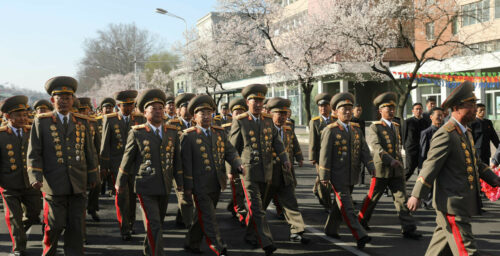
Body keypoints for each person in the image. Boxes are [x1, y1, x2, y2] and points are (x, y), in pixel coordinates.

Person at [407, 81, 500, 256]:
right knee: (467, 251)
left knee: (439, 248)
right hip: (452, 203)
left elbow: (476, 161)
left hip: (462, 201)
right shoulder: (446, 133)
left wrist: (493, 178)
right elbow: (430, 165)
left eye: (474, 104)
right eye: (471, 105)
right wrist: (416, 194)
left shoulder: (466, 131)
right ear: (457, 108)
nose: (475, 108)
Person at [27, 76, 98, 256]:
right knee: (55, 225)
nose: (64, 102)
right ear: (53, 100)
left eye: (68, 98)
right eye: (60, 98)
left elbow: (89, 151)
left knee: (76, 226)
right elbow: (34, 152)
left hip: (78, 182)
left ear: (73, 100)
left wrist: (93, 175)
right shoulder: (42, 122)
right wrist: (35, 176)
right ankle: (49, 252)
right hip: (53, 183)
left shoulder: (82, 121)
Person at [116, 89, 183, 256]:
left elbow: (177, 161)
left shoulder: (172, 132)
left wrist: (181, 182)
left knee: (157, 223)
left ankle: (149, 250)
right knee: (154, 224)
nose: (159, 111)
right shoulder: (137, 132)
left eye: (161, 108)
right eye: (154, 108)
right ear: (145, 113)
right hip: (145, 185)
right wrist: (120, 182)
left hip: (165, 185)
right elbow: (127, 159)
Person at [230, 84, 291, 256]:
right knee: (256, 207)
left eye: (260, 101)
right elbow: (232, 148)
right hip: (247, 171)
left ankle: (251, 235)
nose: (257, 104)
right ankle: (267, 241)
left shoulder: (267, 119)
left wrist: (285, 158)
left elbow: (276, 141)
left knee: (259, 207)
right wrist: (232, 169)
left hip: (266, 170)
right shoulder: (240, 121)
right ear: (247, 102)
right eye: (254, 101)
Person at [181, 95, 243, 256]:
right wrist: (187, 187)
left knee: (202, 215)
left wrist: (238, 163)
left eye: (209, 113)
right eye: (202, 113)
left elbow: (230, 151)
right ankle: (218, 246)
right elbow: (185, 164)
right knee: (209, 216)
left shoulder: (219, 133)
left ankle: (191, 242)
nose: (207, 116)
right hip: (199, 184)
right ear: (194, 117)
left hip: (216, 181)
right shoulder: (188, 136)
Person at [357, 92, 422, 240]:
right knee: (372, 198)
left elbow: (397, 147)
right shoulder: (375, 127)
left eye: (392, 108)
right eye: (388, 109)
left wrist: (398, 162)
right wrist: (389, 160)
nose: (391, 111)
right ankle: (361, 221)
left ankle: (408, 228)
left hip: (396, 170)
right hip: (382, 169)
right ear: (380, 111)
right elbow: (376, 147)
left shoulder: (396, 126)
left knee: (402, 199)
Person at [318, 92, 375, 249]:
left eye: (350, 109)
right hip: (337, 176)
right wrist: (324, 175)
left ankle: (330, 229)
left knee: (340, 205)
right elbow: (324, 154)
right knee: (348, 207)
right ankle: (360, 235)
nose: (348, 112)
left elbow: (364, 150)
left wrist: (371, 166)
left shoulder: (356, 129)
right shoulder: (331, 130)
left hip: (352, 174)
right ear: (336, 112)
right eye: (344, 109)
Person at [100, 90, 146, 241]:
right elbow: (105, 144)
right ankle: (124, 227)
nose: (128, 108)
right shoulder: (111, 119)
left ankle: (131, 222)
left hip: (136, 165)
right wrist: (104, 165)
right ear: (118, 105)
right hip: (117, 165)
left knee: (133, 197)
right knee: (122, 197)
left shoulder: (139, 118)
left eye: (131, 105)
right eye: (125, 105)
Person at [263, 97, 309, 244]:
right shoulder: (264, 129)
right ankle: (253, 232)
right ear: (270, 113)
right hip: (269, 174)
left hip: (285, 172)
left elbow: (293, 143)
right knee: (261, 206)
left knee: (291, 202)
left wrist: (299, 156)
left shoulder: (288, 128)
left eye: (285, 113)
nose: (283, 117)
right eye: (279, 113)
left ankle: (297, 231)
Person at [0, 95, 42, 256]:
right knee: (14, 217)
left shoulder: (33, 132)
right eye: (18, 115)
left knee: (33, 213)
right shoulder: (2, 135)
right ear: (8, 116)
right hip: (9, 183)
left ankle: (20, 232)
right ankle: (19, 247)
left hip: (30, 183)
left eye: (25, 114)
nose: (23, 118)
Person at [169, 93, 196, 228]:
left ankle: (181, 218)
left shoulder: (197, 124)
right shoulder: (172, 125)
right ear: (178, 110)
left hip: (194, 167)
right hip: (179, 167)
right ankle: (189, 224)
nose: (188, 110)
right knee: (185, 197)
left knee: (188, 195)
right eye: (185, 107)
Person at [223, 98, 248, 226]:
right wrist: (229, 171)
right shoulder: (224, 128)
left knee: (244, 190)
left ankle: (232, 205)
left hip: (246, 164)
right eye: (236, 112)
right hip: (234, 164)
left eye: (241, 112)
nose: (238, 115)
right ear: (231, 114)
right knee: (237, 188)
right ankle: (241, 212)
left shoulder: (248, 125)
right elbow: (229, 150)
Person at [309, 93, 334, 212]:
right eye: (321, 106)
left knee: (323, 178)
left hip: (334, 156)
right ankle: (328, 205)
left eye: (326, 106)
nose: (323, 108)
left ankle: (316, 190)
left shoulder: (335, 120)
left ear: (330, 107)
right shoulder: (315, 122)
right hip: (321, 157)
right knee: (324, 181)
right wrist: (313, 157)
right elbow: (313, 141)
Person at [78, 97, 102, 222]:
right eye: (80, 110)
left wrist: (100, 160)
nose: (83, 112)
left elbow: (97, 144)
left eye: (85, 110)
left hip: (91, 160)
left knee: (96, 185)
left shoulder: (92, 122)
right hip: (78, 160)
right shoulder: (75, 122)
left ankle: (92, 208)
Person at [418, 107, 444, 209]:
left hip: (442, 163)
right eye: (438, 115)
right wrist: (422, 166)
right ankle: (427, 202)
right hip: (430, 163)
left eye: (442, 115)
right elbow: (423, 151)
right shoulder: (426, 132)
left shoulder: (445, 131)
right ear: (431, 117)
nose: (440, 118)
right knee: (429, 183)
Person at [96, 97, 115, 196]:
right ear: (101, 109)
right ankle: (101, 188)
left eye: (110, 107)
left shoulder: (115, 120)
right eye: (106, 108)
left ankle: (112, 189)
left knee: (112, 173)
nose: (108, 110)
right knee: (101, 175)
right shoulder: (97, 121)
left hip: (112, 152)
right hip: (100, 152)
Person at [403, 103, 427, 181]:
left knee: (422, 170)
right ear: (413, 111)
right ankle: (400, 184)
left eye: (420, 109)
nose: (418, 111)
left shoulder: (425, 122)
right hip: (411, 149)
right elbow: (404, 136)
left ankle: (420, 188)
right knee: (409, 169)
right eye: (416, 109)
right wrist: (405, 147)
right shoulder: (408, 122)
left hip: (423, 150)